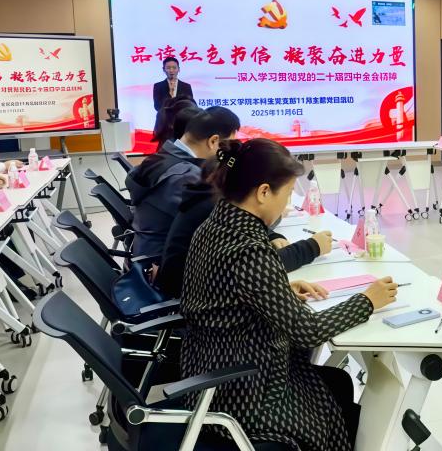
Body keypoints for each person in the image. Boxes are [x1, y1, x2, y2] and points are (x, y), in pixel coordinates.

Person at [181, 138, 399, 450]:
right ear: (263, 192)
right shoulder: (249, 248)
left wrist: (278, 290)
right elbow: (307, 332)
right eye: (286, 193)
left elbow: (226, 295)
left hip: (210, 364)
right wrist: (367, 301)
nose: (287, 204)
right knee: (327, 406)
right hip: (242, 389)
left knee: (336, 384)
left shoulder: (218, 223)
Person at [157, 159, 335, 299]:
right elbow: (260, 266)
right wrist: (312, 247)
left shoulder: (214, 203)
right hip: (192, 295)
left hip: (195, 289)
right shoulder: (216, 211)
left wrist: (271, 235)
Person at [126, 106, 240, 257]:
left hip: (147, 248)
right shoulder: (186, 176)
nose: (228, 152)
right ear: (213, 141)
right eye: (228, 145)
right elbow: (218, 225)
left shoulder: (163, 158)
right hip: (160, 261)